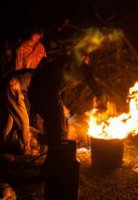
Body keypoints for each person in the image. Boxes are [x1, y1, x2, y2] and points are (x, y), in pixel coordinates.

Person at [28, 55, 107, 199]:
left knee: (60, 128)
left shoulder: (62, 65)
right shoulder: (75, 63)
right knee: (56, 133)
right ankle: (50, 171)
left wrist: (62, 108)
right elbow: (88, 76)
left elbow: (59, 88)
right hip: (42, 94)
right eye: (87, 61)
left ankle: (55, 164)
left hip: (41, 93)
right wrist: (100, 95)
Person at [0, 69, 38, 155]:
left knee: (10, 121)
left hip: (11, 85)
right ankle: (25, 148)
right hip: (14, 86)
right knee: (23, 121)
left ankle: (1, 145)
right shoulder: (39, 78)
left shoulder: (35, 76)